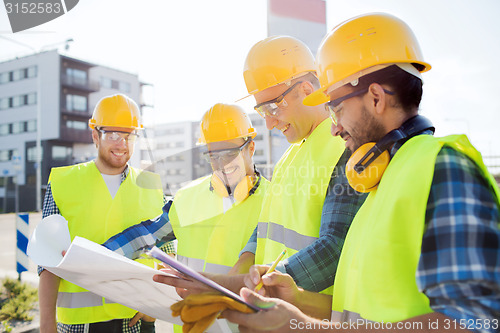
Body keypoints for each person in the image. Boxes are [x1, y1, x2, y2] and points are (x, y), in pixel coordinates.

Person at [222, 13, 500, 333]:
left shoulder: (442, 169)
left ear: (376, 98)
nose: (335, 126)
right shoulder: (382, 181)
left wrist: (301, 327)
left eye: (336, 108)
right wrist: (297, 300)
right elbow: (357, 313)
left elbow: (479, 321)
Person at [232, 35, 367, 294]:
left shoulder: (343, 149)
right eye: (263, 111)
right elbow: (269, 223)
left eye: (273, 107)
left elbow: (336, 248)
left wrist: (264, 285)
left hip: (307, 315)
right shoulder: (291, 155)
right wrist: (244, 261)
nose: (269, 123)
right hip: (272, 309)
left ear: (306, 90)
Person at [38, 94, 164, 333]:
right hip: (79, 325)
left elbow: (166, 254)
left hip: (136, 323)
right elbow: (47, 261)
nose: (122, 144)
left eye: (129, 135)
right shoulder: (63, 183)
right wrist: (46, 325)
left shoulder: (152, 186)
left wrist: (153, 306)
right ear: (95, 135)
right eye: (114, 135)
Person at [103, 103, 270, 275]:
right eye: (214, 156)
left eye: (231, 154)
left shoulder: (274, 201)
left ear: (251, 148)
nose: (223, 164)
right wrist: (99, 256)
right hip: (188, 302)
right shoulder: (188, 197)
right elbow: (145, 236)